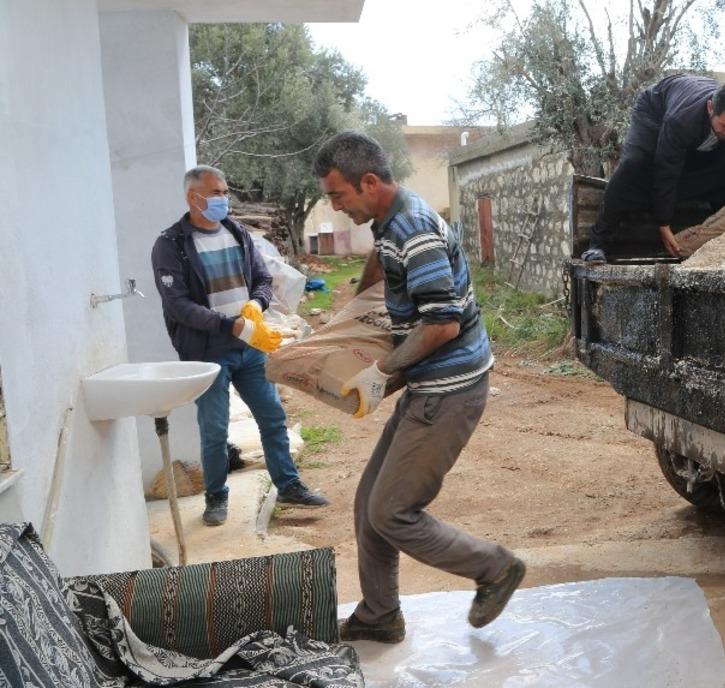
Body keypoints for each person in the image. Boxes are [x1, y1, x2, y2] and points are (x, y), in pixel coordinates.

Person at [314, 132, 524, 644]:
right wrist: (347, 320)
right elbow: (381, 271)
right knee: (369, 505)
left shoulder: (412, 228)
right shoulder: (388, 221)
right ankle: (380, 614)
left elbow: (442, 325)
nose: (337, 208)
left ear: (368, 182)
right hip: (430, 384)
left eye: (339, 196)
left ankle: (496, 569)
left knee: (391, 511)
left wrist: (381, 372)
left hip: (449, 390)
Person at [151, 165, 328, 526]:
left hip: (250, 347)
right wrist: (230, 325)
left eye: (225, 191)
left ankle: (289, 485)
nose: (223, 199)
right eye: (216, 193)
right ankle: (216, 496)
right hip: (207, 351)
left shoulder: (237, 232)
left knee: (272, 416)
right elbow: (178, 305)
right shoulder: (170, 245)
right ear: (192, 197)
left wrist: (256, 306)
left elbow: (263, 278)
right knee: (215, 428)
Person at [583, 75, 725, 263]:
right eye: (724, 126)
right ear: (711, 108)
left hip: (693, 129)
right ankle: (599, 244)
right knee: (633, 165)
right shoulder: (682, 119)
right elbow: (666, 169)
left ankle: (724, 243)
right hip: (654, 113)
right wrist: (663, 223)